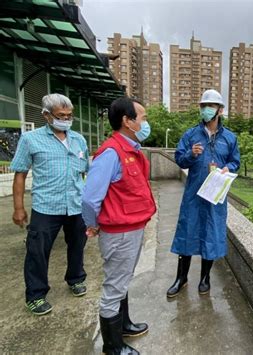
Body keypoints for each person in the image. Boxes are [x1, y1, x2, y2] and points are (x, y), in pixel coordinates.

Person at [82, 97, 156, 355]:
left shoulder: (130, 149)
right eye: (143, 118)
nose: (145, 123)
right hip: (120, 233)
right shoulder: (111, 153)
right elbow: (90, 198)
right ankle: (112, 347)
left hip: (132, 228)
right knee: (113, 288)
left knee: (122, 280)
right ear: (127, 121)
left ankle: (123, 325)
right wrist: (92, 225)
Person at [11, 93, 89, 316]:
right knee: (37, 251)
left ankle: (75, 279)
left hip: (75, 205)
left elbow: (86, 172)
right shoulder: (31, 139)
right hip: (46, 206)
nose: (65, 119)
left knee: (77, 245)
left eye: (69, 115)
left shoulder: (79, 140)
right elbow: (20, 174)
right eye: (60, 115)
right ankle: (35, 295)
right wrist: (18, 208)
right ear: (46, 115)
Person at [167, 89, 240, 298]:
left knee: (211, 233)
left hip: (215, 195)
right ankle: (181, 278)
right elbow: (180, 160)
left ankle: (205, 277)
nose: (206, 109)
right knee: (187, 233)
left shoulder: (230, 138)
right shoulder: (191, 135)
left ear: (220, 110)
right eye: (203, 105)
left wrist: (228, 168)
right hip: (193, 194)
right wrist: (191, 154)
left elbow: (236, 161)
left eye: (211, 106)